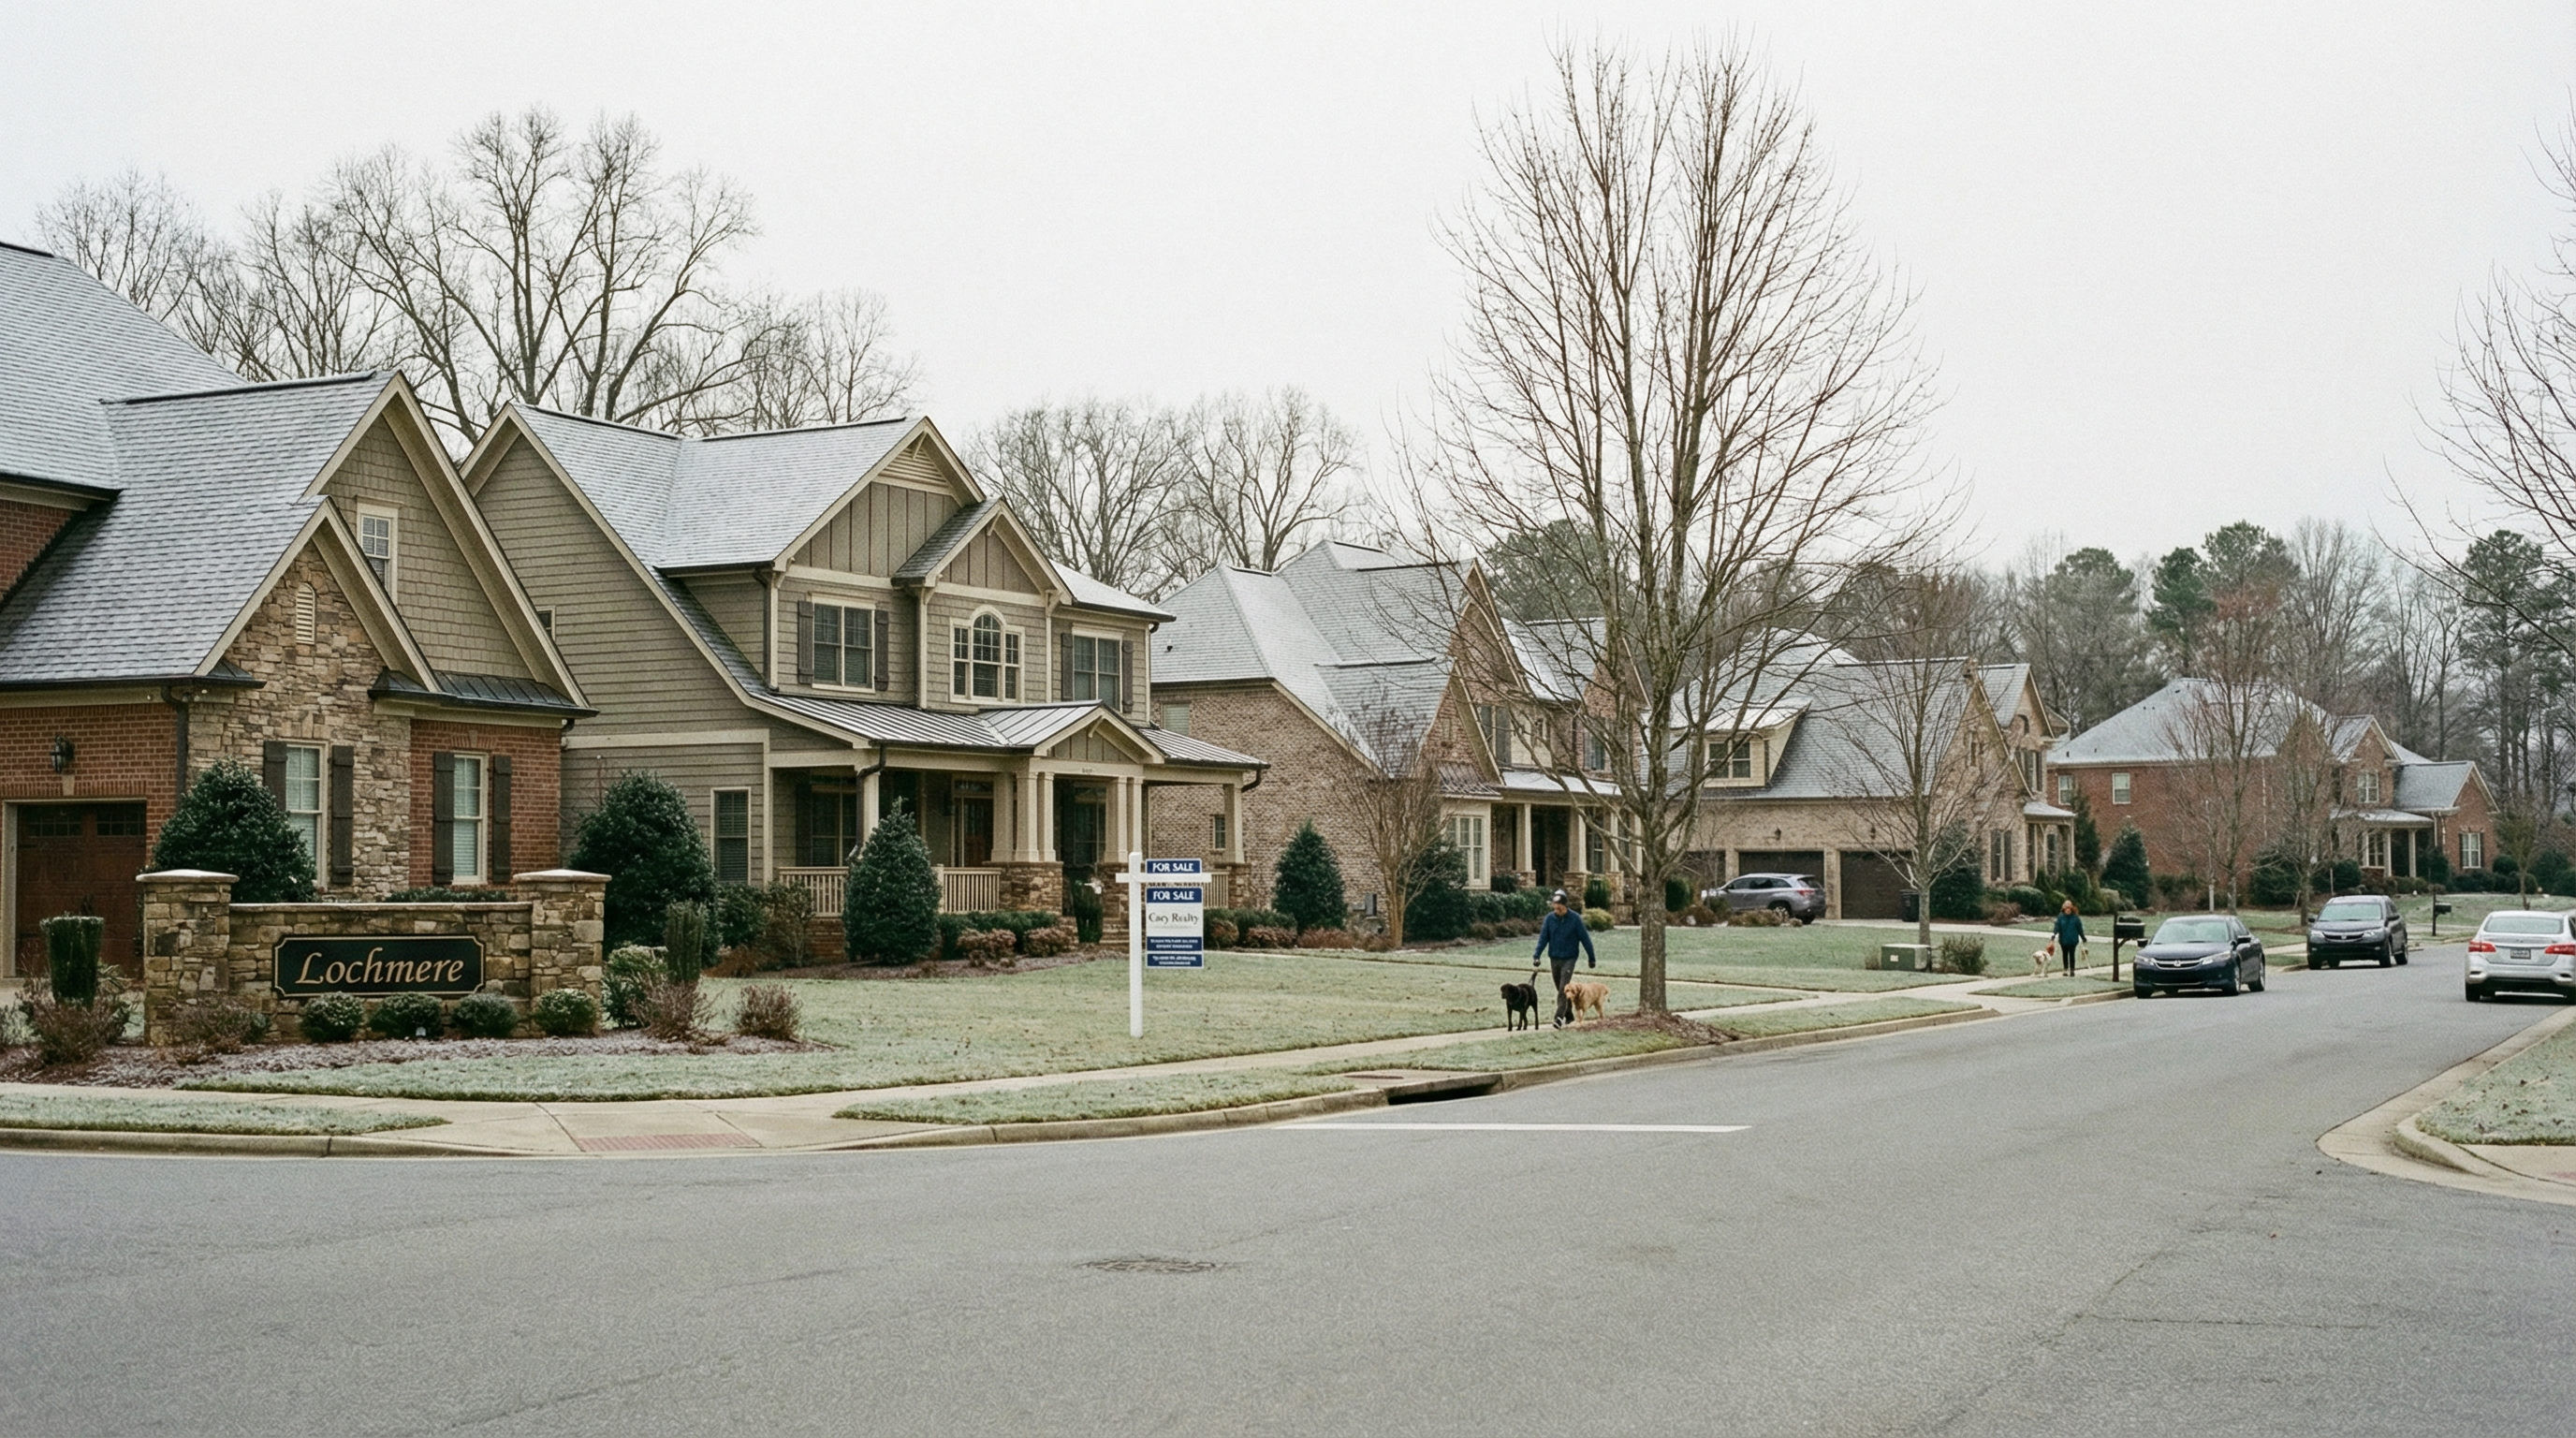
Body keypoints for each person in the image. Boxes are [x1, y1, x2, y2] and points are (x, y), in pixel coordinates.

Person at [1533, 889, 1598, 1028]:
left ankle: (1558, 1018)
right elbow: (1543, 938)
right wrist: (1537, 956)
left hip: (1570, 958)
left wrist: (1591, 958)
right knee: (1562, 990)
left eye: (1560, 908)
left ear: (1565, 906)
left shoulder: (1575, 919)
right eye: (1555, 908)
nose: (1557, 911)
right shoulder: (1549, 919)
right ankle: (1569, 1016)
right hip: (1554, 958)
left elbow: (1585, 939)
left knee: (1564, 986)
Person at [2053, 900, 2086, 977]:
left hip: (2072, 940)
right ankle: (2065, 969)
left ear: (2071, 908)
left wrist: (2083, 937)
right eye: (2066, 908)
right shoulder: (2060, 917)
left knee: (2072, 955)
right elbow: (2057, 926)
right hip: (2063, 939)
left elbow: (2079, 928)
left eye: (2069, 908)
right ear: (2064, 908)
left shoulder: (2075, 918)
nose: (2067, 910)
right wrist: (2054, 934)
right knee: (2064, 955)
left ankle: (2072, 970)